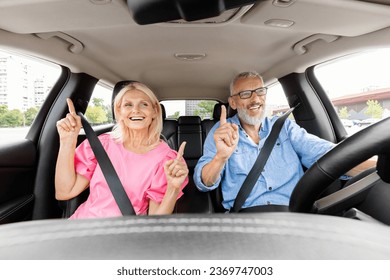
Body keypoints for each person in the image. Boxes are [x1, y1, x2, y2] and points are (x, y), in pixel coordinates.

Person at [194, 71, 375, 212]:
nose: (255, 99)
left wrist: (381, 163)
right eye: (246, 94)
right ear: (232, 103)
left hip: (293, 215)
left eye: (259, 91)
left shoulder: (285, 128)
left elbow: (330, 156)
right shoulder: (221, 133)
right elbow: (204, 182)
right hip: (246, 217)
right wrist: (221, 157)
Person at [55, 82, 189, 218]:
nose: (136, 110)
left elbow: (156, 220)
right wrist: (67, 141)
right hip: (84, 225)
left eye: (144, 104)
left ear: (154, 111)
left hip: (123, 231)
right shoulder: (101, 144)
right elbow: (65, 192)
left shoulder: (166, 159)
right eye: (128, 105)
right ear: (119, 111)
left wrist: (173, 188)